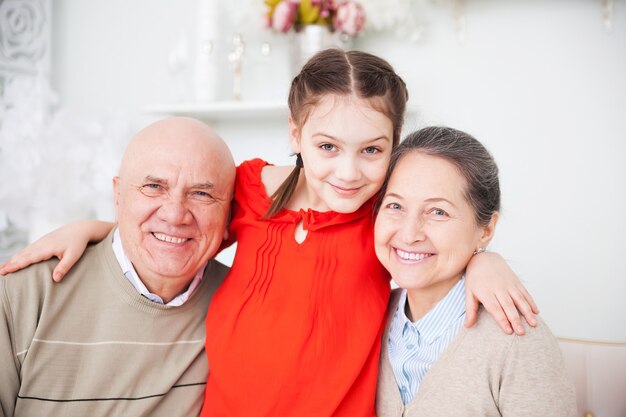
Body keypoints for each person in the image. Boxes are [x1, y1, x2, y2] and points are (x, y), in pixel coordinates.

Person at [0, 50, 538, 416]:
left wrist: (484, 261)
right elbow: (182, 220)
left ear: (393, 144)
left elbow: (431, 245)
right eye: (328, 147)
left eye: (371, 150)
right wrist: (95, 228)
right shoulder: (254, 188)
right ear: (296, 132)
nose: (348, 172)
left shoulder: (382, 217)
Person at [0, 117, 236, 417]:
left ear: (230, 212)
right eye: (154, 187)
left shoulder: (244, 304)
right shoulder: (23, 294)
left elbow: (307, 177)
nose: (176, 215)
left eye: (201, 193)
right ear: (118, 194)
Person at [374, 126, 576, 416]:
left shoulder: (517, 342)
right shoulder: (371, 317)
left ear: (486, 230)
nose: (409, 233)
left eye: (438, 212)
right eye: (395, 205)